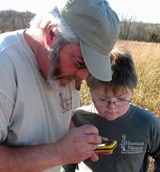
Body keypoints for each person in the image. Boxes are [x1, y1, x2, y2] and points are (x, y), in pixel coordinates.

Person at [0, 0, 120, 171]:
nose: (83, 76)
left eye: (90, 68)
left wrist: (78, 140)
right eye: (80, 62)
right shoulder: (5, 63)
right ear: (51, 34)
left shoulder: (63, 71)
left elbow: (58, 116)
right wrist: (58, 153)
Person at [61, 47, 160, 172]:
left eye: (121, 98)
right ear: (91, 91)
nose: (112, 106)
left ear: (132, 91)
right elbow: (68, 162)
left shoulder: (148, 124)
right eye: (102, 99)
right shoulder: (78, 120)